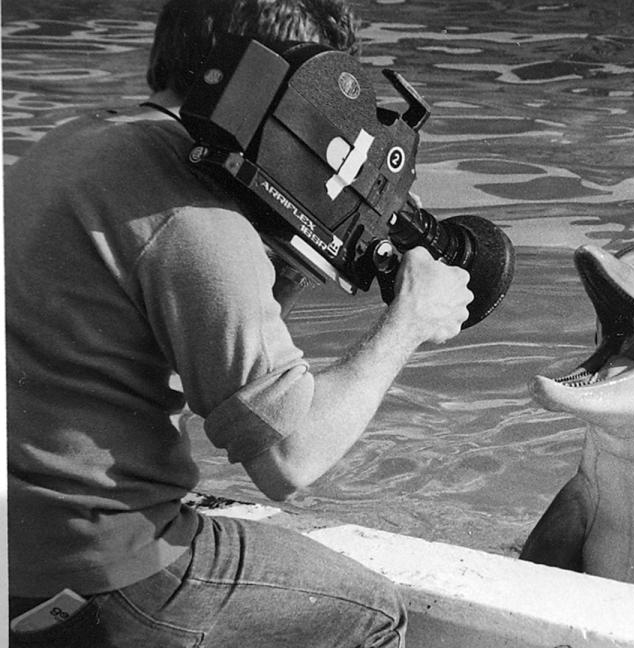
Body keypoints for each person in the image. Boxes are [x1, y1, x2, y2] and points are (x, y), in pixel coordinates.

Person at [5, 0, 473, 645]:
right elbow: (289, 459)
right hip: (107, 570)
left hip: (19, 554)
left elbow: (202, 358)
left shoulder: (72, 144)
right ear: (294, 82)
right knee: (372, 613)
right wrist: (409, 323)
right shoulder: (195, 218)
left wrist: (298, 240)